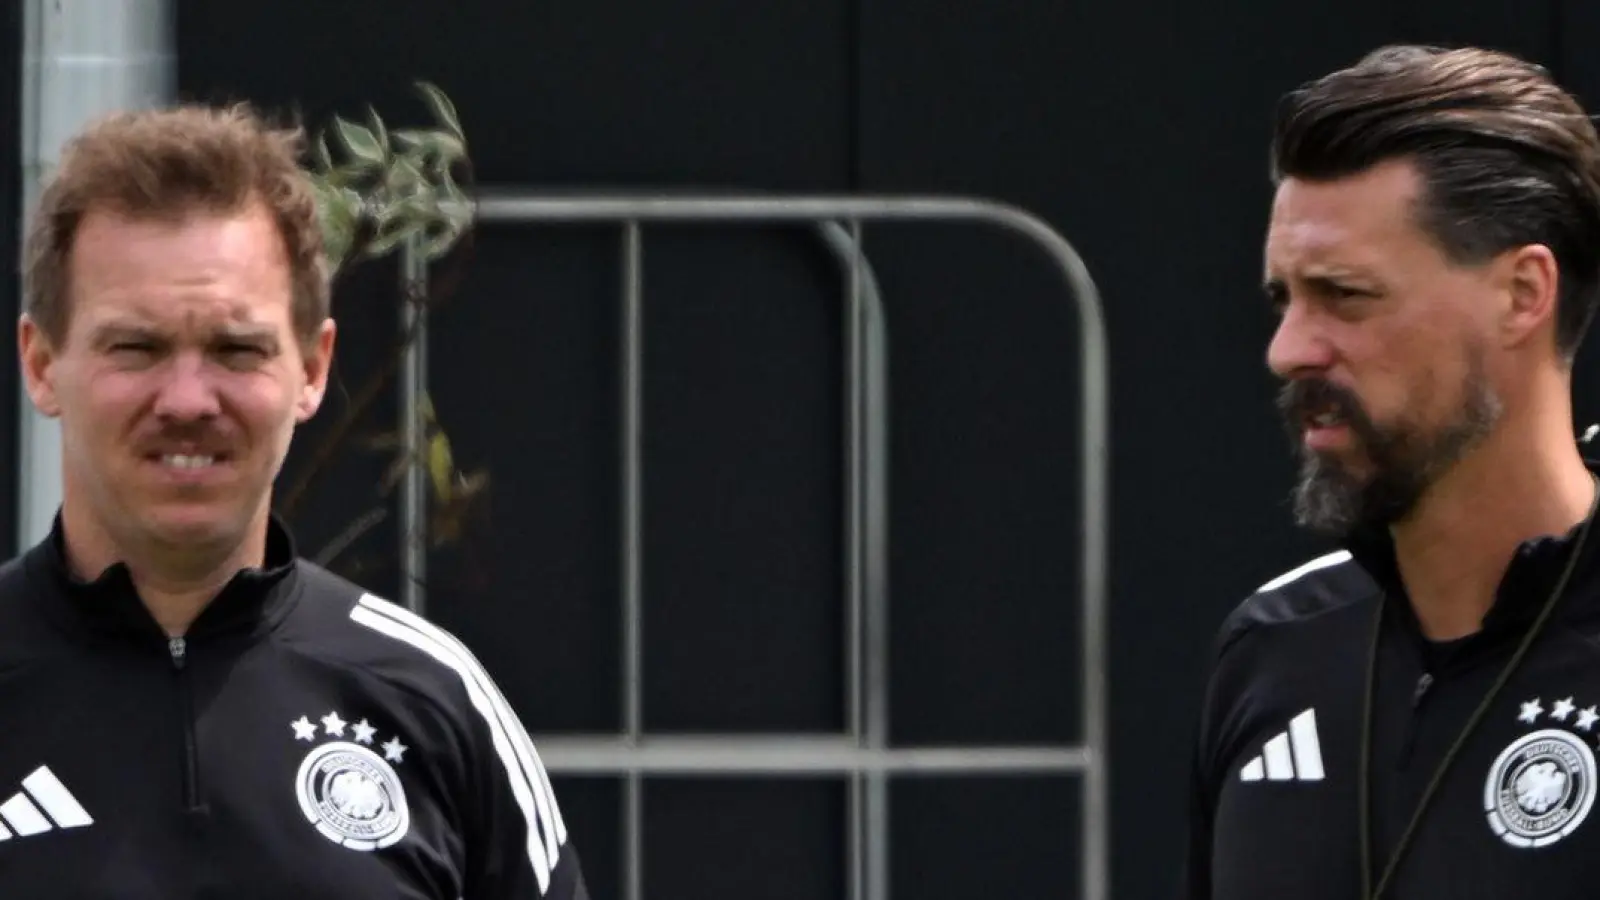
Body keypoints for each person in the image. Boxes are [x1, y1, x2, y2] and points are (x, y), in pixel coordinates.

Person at [0, 103, 589, 898]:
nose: (186, 398)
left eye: (236, 349)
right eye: (135, 347)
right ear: (41, 364)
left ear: (313, 369)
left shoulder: (433, 703)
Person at [1182, 44, 1600, 899]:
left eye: (1346, 297)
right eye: (1283, 299)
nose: (1289, 349)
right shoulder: (1273, 650)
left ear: (1523, 293)